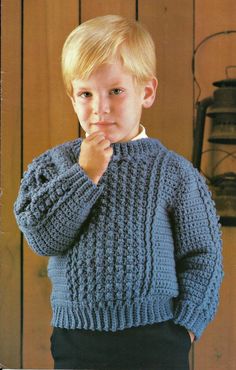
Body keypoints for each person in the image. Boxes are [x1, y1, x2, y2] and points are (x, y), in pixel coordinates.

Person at [13, 14, 224, 370]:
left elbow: (204, 255)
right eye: (86, 93)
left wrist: (186, 327)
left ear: (147, 92)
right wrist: (85, 174)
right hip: (76, 337)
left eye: (116, 91)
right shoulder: (55, 165)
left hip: (157, 336)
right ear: (72, 97)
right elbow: (43, 238)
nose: (100, 108)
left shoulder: (174, 172)